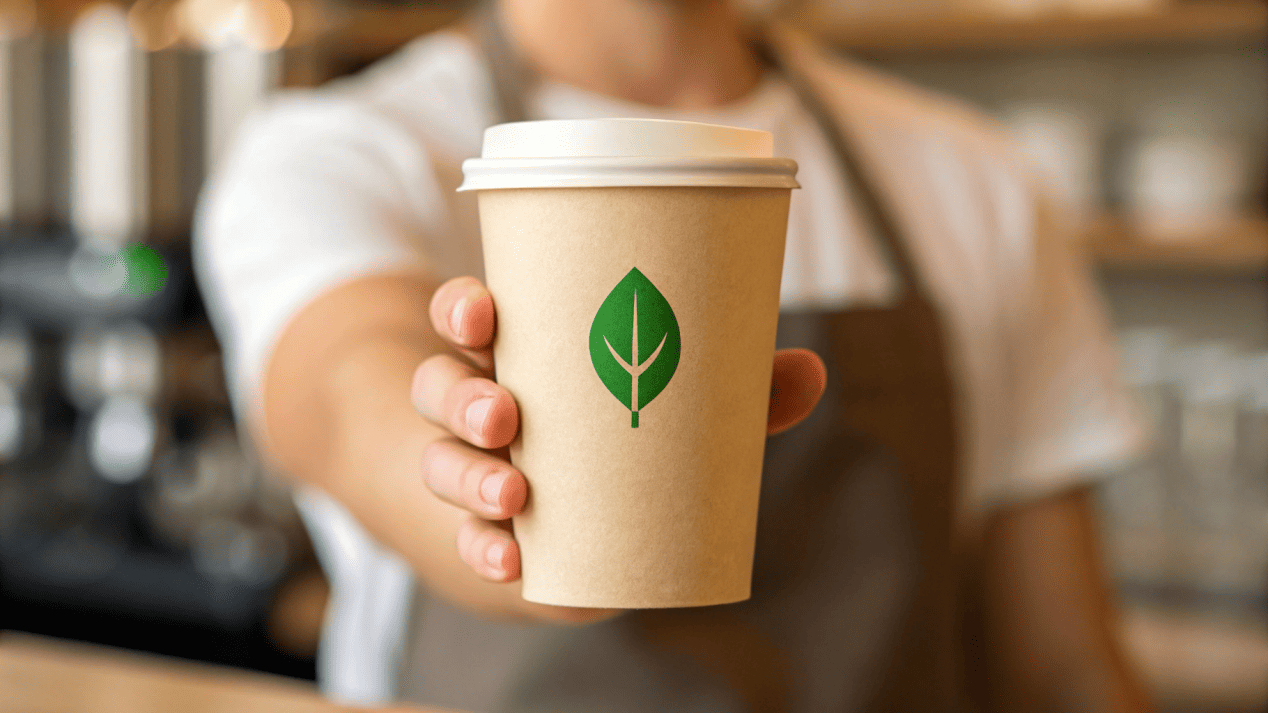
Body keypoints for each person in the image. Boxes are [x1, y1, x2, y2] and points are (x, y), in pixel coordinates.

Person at [194, 0, 1155, 710]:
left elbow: (1064, 665)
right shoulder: (337, 155)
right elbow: (342, 387)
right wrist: (503, 496)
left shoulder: (974, 179)